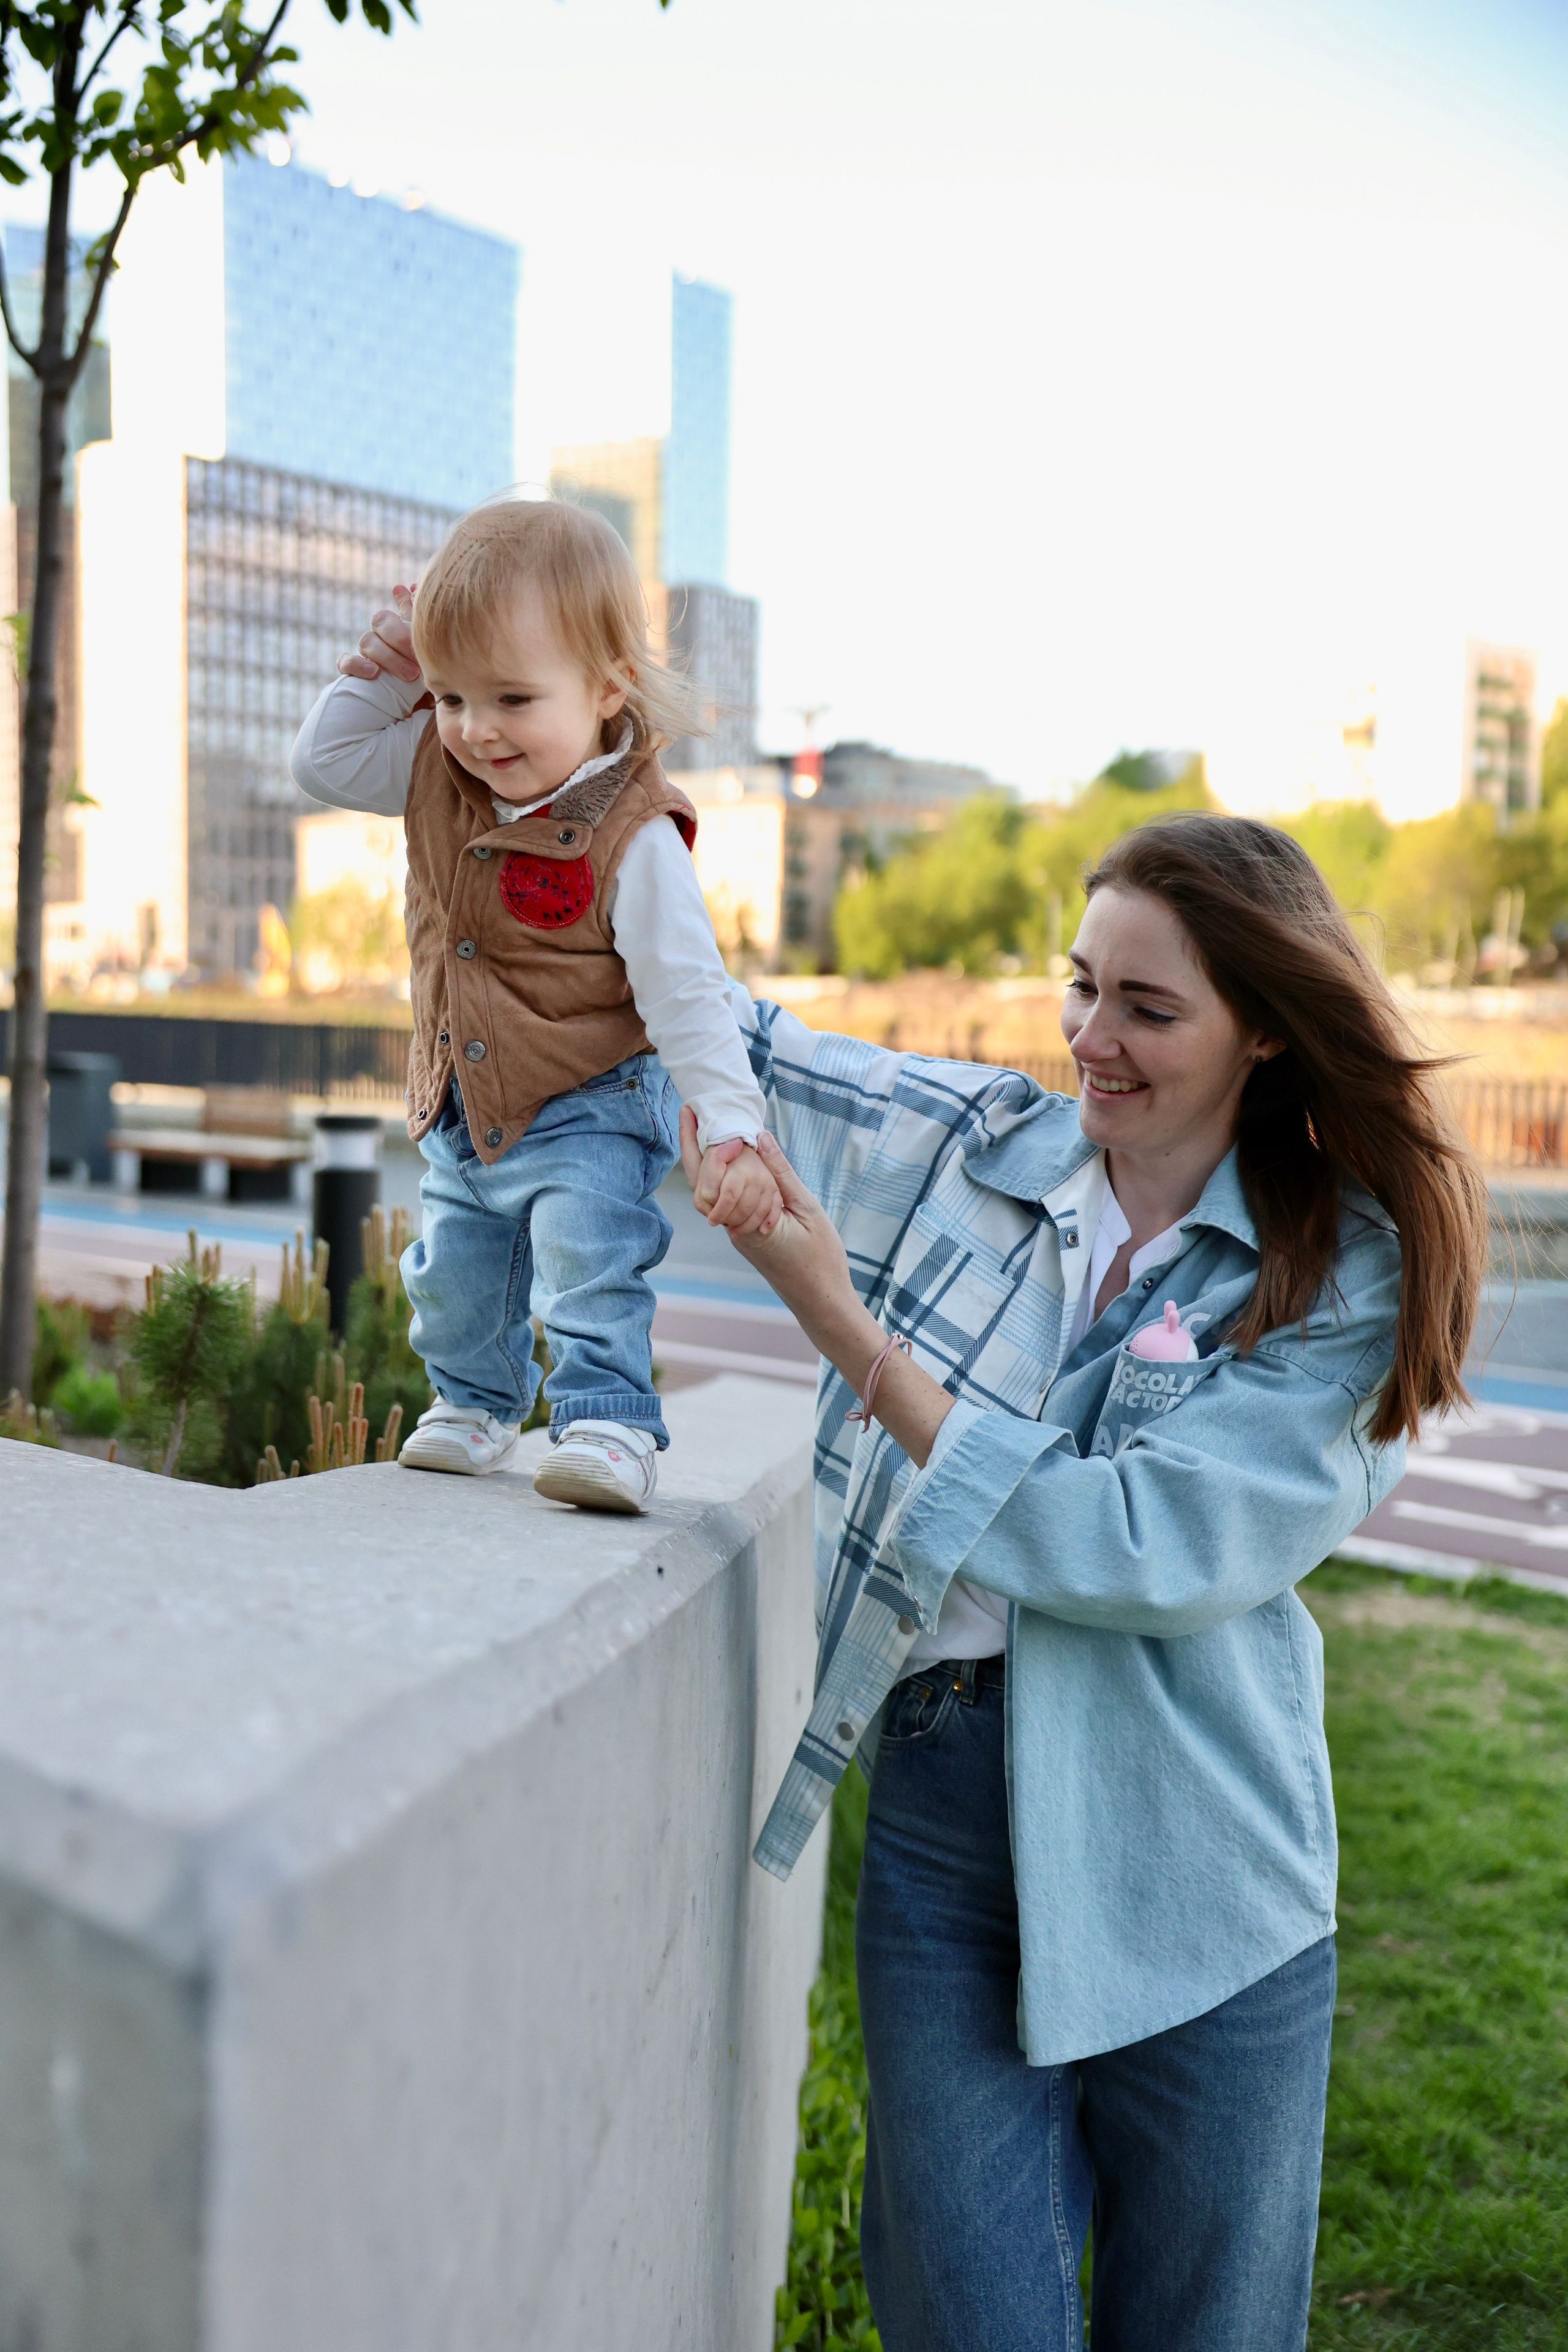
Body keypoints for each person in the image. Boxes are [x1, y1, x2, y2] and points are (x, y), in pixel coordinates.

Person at [690, 814, 1487, 2351]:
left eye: (1145, 1006)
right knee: (966, 2318)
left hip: (1199, 1851)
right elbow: (740, 1041)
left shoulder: (1342, 1274)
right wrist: (568, 779)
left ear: (1260, 1031)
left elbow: (1140, 1543)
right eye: (1080, 984)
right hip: (940, 1830)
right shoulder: (976, 1141)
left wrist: (848, 1333)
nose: (1087, 1038)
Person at [289, 499, 780, 1512]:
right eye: (451, 695)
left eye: (511, 698)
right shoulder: (439, 767)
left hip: (593, 1094)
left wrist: (730, 1121)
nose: (475, 729)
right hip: (466, 1097)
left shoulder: (633, 832)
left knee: (588, 1263)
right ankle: (476, 1403)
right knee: (454, 1271)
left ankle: (608, 1424)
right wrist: (382, 671)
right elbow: (322, 762)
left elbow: (688, 991)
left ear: (609, 687)